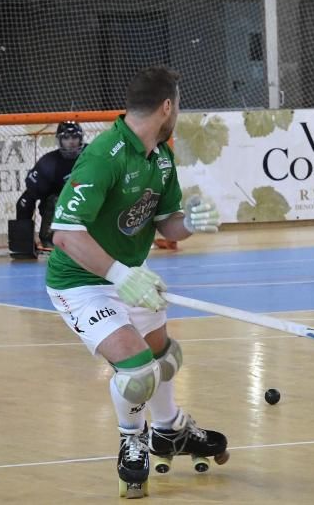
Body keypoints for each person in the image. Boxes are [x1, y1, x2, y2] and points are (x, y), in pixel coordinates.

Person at [46, 66, 226, 498]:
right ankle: (133, 439)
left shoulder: (160, 158)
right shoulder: (104, 155)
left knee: (166, 357)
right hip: (81, 282)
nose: (178, 111)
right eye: (178, 105)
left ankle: (170, 430)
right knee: (137, 373)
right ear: (167, 106)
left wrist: (191, 223)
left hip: (130, 277)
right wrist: (119, 274)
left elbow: (167, 225)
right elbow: (66, 234)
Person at [7, 121, 85, 259]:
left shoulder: (92, 155)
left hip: (88, 203)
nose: (71, 142)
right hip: (59, 209)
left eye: (74, 137)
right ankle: (49, 239)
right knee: (36, 201)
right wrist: (24, 245)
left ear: (81, 138)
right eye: (66, 138)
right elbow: (26, 200)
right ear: (59, 140)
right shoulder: (48, 163)